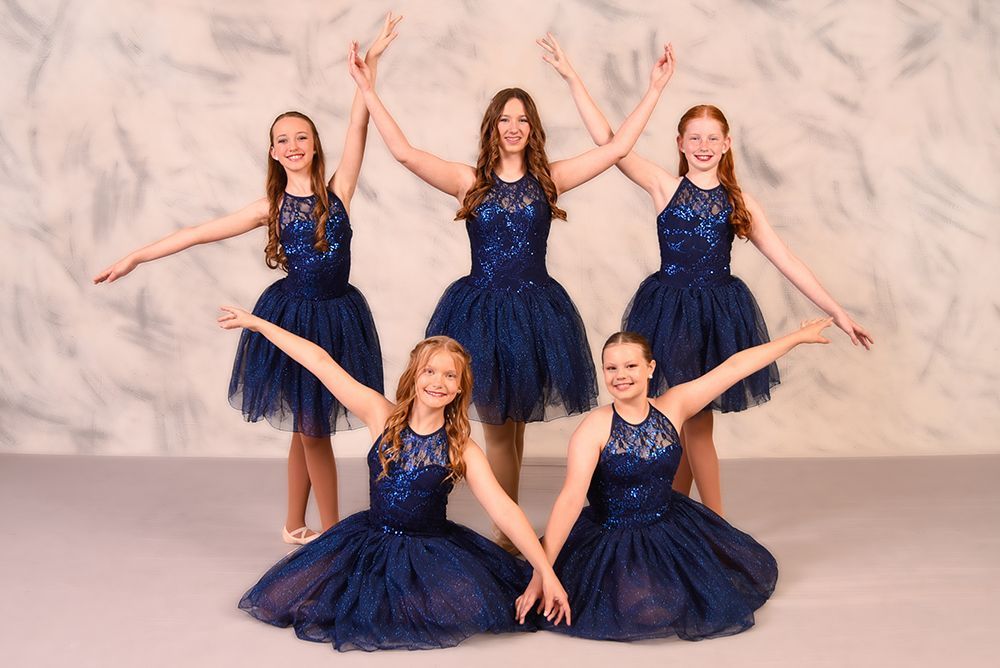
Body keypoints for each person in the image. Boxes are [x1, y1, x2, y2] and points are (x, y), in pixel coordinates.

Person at [346, 37, 675, 547]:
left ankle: (508, 528)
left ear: (533, 128)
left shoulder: (549, 181)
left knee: (514, 428)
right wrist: (368, 88)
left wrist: (642, 87)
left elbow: (615, 149)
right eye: (505, 119)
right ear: (492, 127)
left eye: (522, 119)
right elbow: (405, 153)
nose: (513, 127)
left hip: (535, 314)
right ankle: (507, 536)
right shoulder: (468, 181)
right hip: (480, 314)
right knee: (499, 429)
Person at [93, 15, 404, 542]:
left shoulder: (339, 191)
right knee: (312, 430)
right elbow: (196, 232)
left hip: (337, 317)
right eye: (283, 139)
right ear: (273, 151)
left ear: (315, 144)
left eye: (301, 136)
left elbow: (359, 125)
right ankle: (333, 541)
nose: (293, 145)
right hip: (292, 317)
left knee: (307, 425)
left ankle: (294, 525)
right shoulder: (270, 207)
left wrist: (369, 65)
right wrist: (136, 257)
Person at [537, 33, 873, 514]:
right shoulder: (663, 186)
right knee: (678, 419)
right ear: (679, 143)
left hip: (717, 314)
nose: (703, 146)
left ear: (727, 144)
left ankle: (713, 526)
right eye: (694, 137)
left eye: (713, 138)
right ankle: (680, 518)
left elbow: (786, 259)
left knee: (695, 424)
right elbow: (608, 142)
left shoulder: (739, 201)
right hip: (668, 311)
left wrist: (837, 311)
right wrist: (582, 79)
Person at [217, 305, 570, 651]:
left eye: (450, 376)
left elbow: (504, 509)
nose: (438, 382)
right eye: (430, 371)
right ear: (414, 377)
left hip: (429, 549)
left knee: (456, 605)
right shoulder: (380, 416)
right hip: (371, 539)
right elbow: (320, 362)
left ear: (461, 388)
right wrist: (258, 324)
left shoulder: (461, 447)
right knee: (302, 597)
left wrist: (545, 572)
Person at [515, 318, 834, 641]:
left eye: (630, 366)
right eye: (611, 368)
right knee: (641, 611)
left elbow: (734, 367)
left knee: (692, 597)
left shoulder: (673, 405)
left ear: (650, 368)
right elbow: (570, 500)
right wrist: (544, 573)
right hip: (614, 535)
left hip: (669, 522)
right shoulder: (593, 429)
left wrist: (797, 338)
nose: (620, 375)